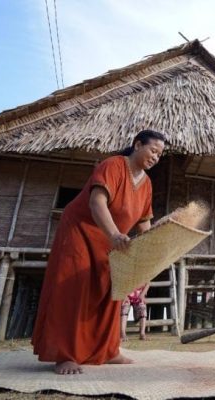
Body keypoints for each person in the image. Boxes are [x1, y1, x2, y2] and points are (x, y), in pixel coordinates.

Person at [31, 130, 165, 375]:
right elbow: (97, 202)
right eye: (153, 150)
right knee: (75, 288)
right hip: (80, 230)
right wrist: (114, 234)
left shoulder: (146, 184)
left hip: (113, 240)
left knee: (110, 290)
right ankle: (65, 355)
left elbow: (144, 223)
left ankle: (108, 351)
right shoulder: (113, 165)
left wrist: (148, 257)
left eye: (160, 155)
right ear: (137, 145)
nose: (156, 157)